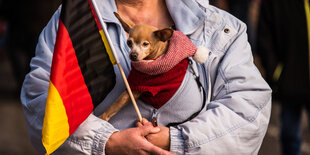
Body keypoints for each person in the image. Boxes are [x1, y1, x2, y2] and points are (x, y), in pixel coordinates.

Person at [21, 0, 272, 154]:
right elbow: (41, 95)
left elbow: (249, 106)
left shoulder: (218, 27)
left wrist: (176, 141)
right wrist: (107, 142)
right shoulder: (74, 19)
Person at [257, 0, 310, 154]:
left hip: (290, 78)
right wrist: (276, 72)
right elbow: (264, 36)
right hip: (289, 81)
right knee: (290, 134)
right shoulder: (275, 3)